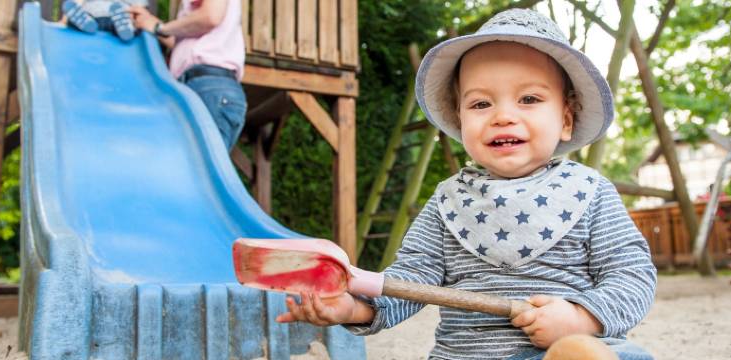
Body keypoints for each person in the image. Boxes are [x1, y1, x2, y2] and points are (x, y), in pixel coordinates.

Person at [275, 9, 657, 360]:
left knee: (627, 357)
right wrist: (353, 308)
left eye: (528, 98)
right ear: (459, 121)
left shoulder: (590, 192)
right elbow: (411, 282)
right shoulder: (447, 203)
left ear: (566, 119)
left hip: (561, 350)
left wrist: (582, 317)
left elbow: (631, 274)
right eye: (480, 105)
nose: (503, 116)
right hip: (466, 355)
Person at [129, 0, 247, 150]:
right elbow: (184, 42)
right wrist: (152, 23)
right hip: (198, 84)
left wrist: (160, 28)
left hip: (209, 85)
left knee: (200, 168)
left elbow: (211, 17)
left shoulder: (208, 12)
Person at [61, 0, 141, 41]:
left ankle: (125, 27)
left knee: (124, 22)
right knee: (83, 19)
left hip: (108, 18)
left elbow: (138, 11)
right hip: (95, 19)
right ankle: (125, 27)